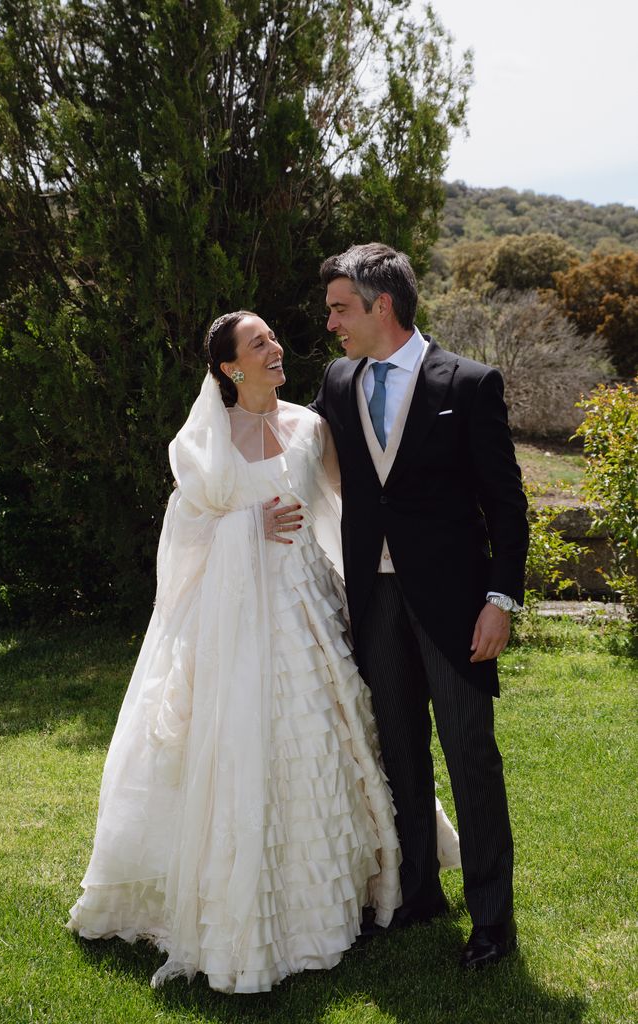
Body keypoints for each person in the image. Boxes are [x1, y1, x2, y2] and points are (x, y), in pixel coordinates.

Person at [67, 310, 460, 994]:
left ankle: (346, 896)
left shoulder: (311, 427)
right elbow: (184, 536)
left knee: (328, 739)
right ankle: (244, 912)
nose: (275, 348)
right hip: (234, 627)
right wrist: (247, 525)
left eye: (273, 337)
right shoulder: (204, 441)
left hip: (310, 614)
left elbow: (352, 505)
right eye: (259, 343)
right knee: (242, 750)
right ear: (230, 367)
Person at [311, 243, 529, 969]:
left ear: (382, 306)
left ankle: (492, 921)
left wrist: (500, 599)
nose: (331, 323)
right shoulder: (338, 380)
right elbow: (298, 448)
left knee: (470, 756)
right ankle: (418, 893)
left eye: (340, 308)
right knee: (400, 751)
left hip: (455, 605)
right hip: (372, 599)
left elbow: (506, 506)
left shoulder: (469, 383)